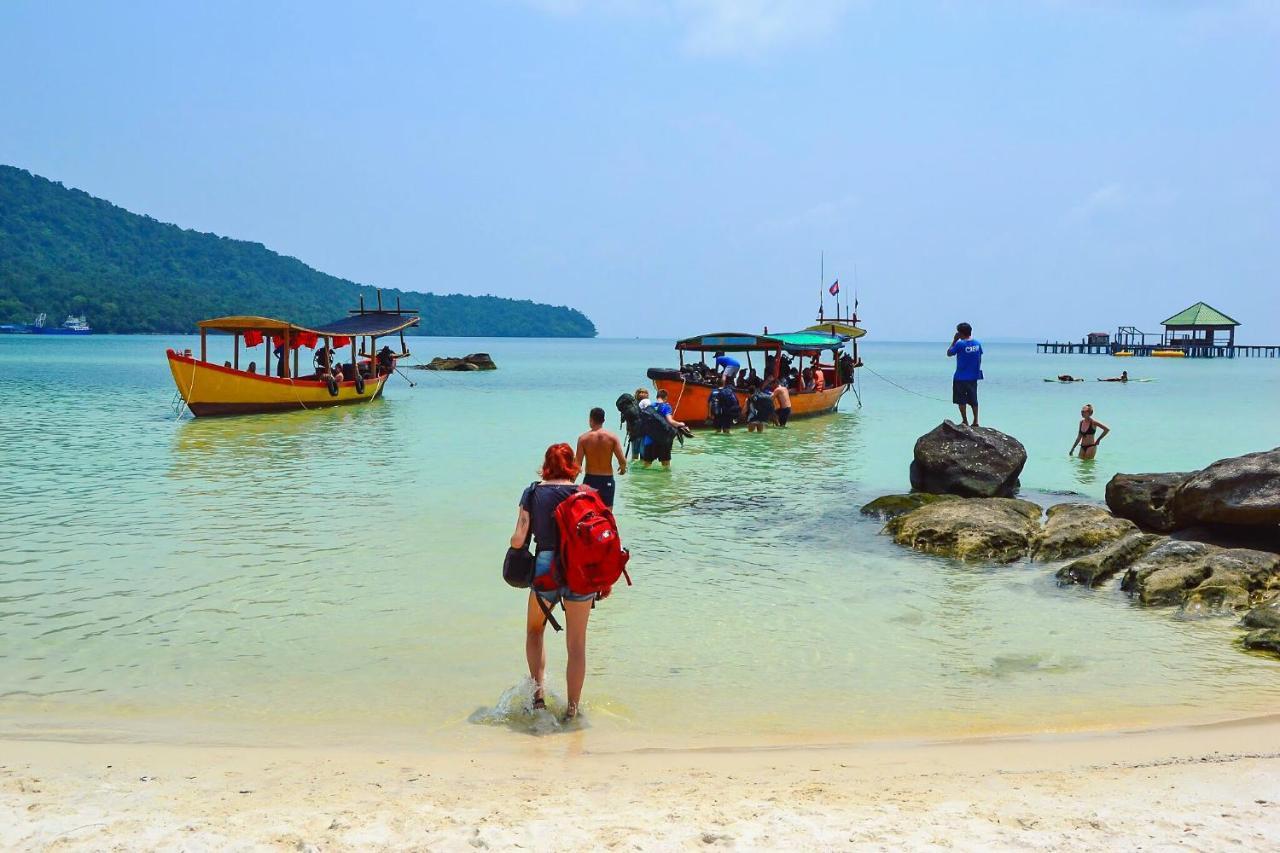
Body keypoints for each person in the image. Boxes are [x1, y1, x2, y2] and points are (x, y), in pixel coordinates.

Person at [510, 444, 599, 721]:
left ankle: (538, 700)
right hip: (580, 572)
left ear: (546, 465)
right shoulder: (586, 493)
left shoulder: (533, 492)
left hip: (546, 566)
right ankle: (572, 711)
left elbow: (518, 538)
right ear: (573, 465)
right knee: (577, 645)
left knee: (535, 631)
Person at [576, 407, 626, 507]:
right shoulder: (612, 437)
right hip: (607, 479)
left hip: (590, 480)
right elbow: (622, 460)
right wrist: (623, 469)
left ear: (590, 420)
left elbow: (577, 464)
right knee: (607, 513)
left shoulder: (583, 439)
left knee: (589, 511)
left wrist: (571, 482)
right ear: (603, 420)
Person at [947, 322, 984, 427]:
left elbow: (949, 353)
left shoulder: (960, 344)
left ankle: (965, 421)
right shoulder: (977, 343)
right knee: (973, 399)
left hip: (960, 377)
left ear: (960, 333)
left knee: (961, 400)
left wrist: (954, 340)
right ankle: (976, 421)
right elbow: (979, 358)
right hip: (973, 376)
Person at [641, 389, 685, 468]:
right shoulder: (666, 406)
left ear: (657, 396)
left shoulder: (649, 407)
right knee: (665, 465)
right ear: (666, 398)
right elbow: (670, 421)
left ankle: (645, 480)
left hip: (649, 439)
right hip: (663, 440)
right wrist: (680, 424)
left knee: (646, 465)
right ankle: (664, 480)